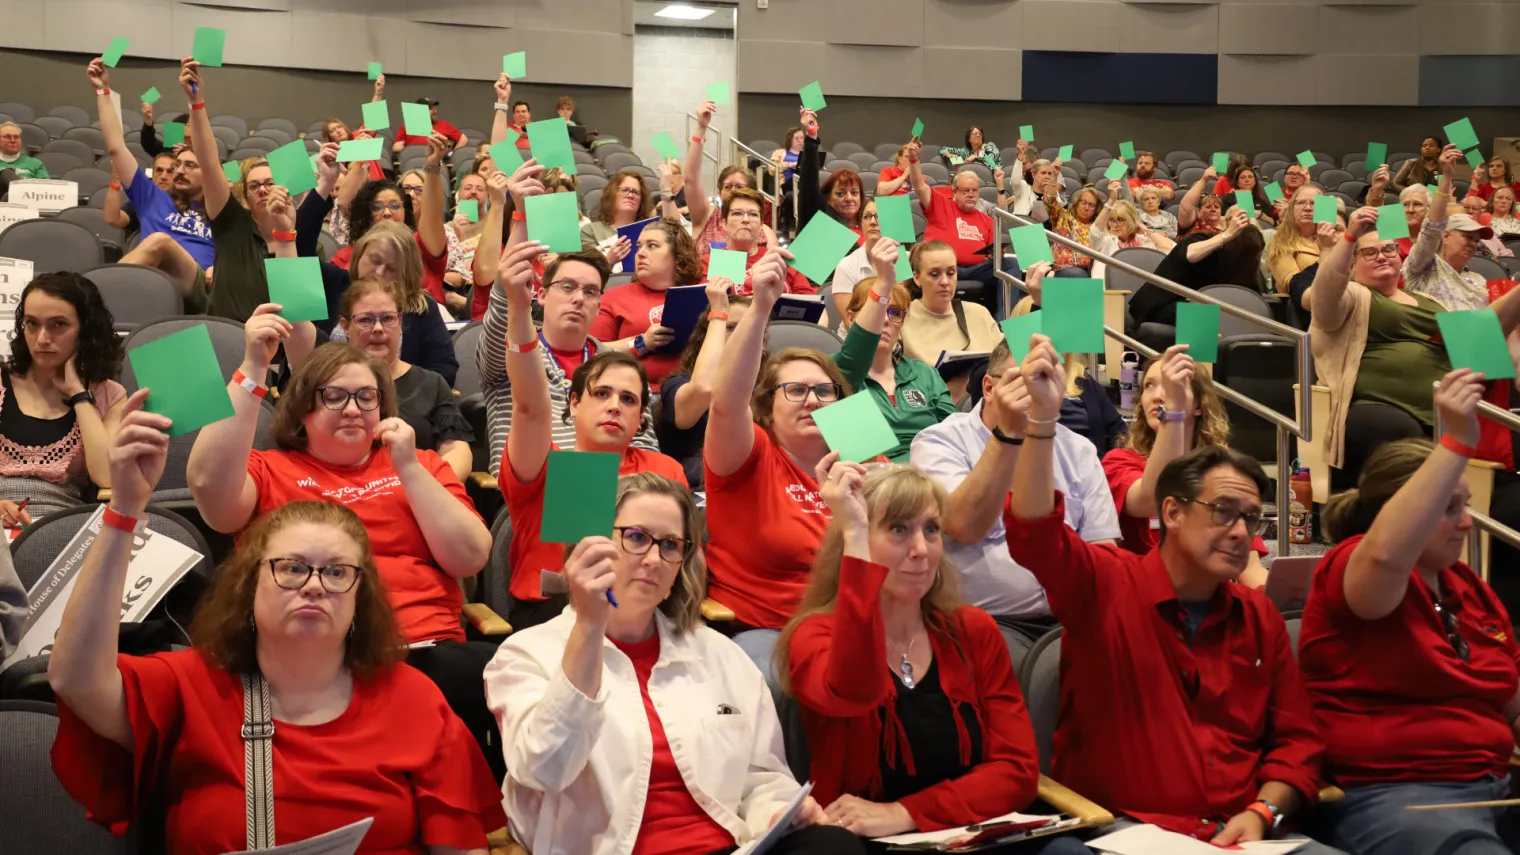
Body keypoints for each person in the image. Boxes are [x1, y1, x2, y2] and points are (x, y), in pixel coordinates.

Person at [50, 397, 505, 853]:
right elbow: (75, 678)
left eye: (337, 572)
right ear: (249, 586)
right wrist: (124, 511)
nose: (314, 586)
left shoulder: (414, 700)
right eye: (290, 568)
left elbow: (461, 848)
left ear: (360, 600)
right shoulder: (188, 686)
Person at [1004, 336, 1328, 846]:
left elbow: (1298, 740)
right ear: (1172, 513)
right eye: (1223, 513)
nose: (1241, 532)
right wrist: (1042, 424)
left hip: (1242, 834)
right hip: (1124, 832)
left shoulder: (1257, 617)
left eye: (1250, 518)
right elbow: (1035, 533)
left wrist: (1265, 810)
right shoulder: (1107, 584)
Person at [484, 472, 863, 855]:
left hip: (726, 846)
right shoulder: (526, 654)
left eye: (670, 545)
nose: (653, 558)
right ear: (593, 545)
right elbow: (546, 770)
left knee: (835, 846)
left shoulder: (720, 654)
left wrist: (778, 810)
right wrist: (589, 624)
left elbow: (761, 776)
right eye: (636, 537)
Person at [777, 459, 1065, 847]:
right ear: (855, 539)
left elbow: (1017, 769)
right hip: (866, 843)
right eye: (898, 529)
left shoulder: (972, 631)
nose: (921, 549)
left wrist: (908, 813)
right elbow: (854, 688)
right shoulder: (814, 637)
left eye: (931, 529)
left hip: (971, 831)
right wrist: (856, 534)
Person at [1299, 376, 1520, 855]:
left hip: (1497, 787)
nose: (1467, 522)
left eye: (1466, 505)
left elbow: (1512, 702)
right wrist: (1457, 439)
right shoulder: (1353, 564)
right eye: (1448, 507)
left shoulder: (1470, 588)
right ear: (1401, 513)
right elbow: (1385, 557)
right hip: (1390, 796)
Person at [496, 239, 687, 631]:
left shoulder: (663, 471)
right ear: (574, 405)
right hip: (553, 616)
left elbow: (679, 561)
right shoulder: (544, 466)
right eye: (601, 393)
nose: (615, 405)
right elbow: (530, 407)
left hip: (645, 615)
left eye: (629, 399)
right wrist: (518, 307)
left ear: (641, 420)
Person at [910, 333, 1120, 660]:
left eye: (1047, 380)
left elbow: (1102, 549)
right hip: (986, 622)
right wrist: (1008, 433)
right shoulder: (939, 441)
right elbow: (963, 524)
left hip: (1071, 618)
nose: (1037, 391)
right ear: (990, 388)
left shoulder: (1078, 449)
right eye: (1025, 380)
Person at [702, 247, 853, 676]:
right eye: (796, 391)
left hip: (854, 621)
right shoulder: (750, 457)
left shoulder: (859, 456)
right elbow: (726, 402)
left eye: (825, 392)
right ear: (767, 405)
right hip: (767, 629)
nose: (812, 401)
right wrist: (760, 308)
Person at [1308, 205, 1520, 491]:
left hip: (1445, 408)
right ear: (1352, 264)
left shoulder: (1426, 300)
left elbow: (1482, 335)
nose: (1382, 255)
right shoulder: (1352, 296)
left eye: (1390, 249)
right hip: (1374, 408)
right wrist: (1348, 238)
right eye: (1369, 252)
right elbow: (1324, 294)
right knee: (1401, 432)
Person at [473, 163, 660, 480]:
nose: (578, 298)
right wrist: (520, 216)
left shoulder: (616, 367)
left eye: (590, 291)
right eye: (567, 286)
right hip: (540, 493)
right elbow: (507, 291)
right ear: (541, 295)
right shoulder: (509, 358)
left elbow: (645, 448)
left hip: (620, 494)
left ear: (600, 302)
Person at [1101, 346, 1269, 586]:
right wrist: (1174, 410)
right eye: (1149, 385)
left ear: (1199, 404)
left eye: (1171, 386)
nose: (1159, 395)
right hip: (1143, 600)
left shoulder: (1221, 472)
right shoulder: (1119, 461)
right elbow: (1152, 499)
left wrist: (1283, 596)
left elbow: (1250, 569)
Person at [175, 58, 322, 323]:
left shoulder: (304, 243)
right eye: (254, 186)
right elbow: (208, 164)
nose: (263, 190)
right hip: (227, 343)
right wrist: (197, 104)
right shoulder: (232, 225)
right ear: (245, 194)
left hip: (281, 354)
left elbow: (303, 315)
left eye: (269, 183)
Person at [316, 278, 474, 481]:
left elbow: (457, 450)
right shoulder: (326, 382)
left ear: (400, 323)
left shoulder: (431, 383)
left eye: (388, 318)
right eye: (365, 320)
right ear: (345, 326)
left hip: (416, 496)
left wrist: (423, 488)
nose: (378, 328)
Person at [0, 274, 126, 527]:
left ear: (86, 331)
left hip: (62, 524)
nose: (42, 338)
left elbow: (108, 477)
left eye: (58, 324)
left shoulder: (110, 395)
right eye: (32, 324)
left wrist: (79, 395)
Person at [89, 57, 213, 314]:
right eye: (178, 164)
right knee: (159, 242)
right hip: (150, 281)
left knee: (161, 241)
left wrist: (220, 267)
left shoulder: (221, 210)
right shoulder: (153, 197)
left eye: (190, 166)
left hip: (199, 286)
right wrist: (102, 90)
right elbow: (116, 146)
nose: (179, 170)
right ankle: (91, 306)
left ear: (209, 173)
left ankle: (90, 302)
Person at [833, 240, 955, 462]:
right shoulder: (835, 373)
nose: (886, 321)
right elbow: (857, 457)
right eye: (879, 310)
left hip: (935, 470)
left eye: (895, 313)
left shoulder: (924, 373)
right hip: (875, 479)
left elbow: (954, 434)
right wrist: (884, 281)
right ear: (851, 319)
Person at [907, 141, 1022, 314]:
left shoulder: (986, 219)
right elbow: (919, 186)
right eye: (966, 190)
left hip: (976, 270)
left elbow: (991, 257)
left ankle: (1004, 324)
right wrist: (914, 159)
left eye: (974, 191)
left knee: (1011, 264)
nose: (971, 194)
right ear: (954, 192)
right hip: (944, 268)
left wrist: (996, 254)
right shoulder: (940, 205)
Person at [657, 284, 751, 489]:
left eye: (747, 329)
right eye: (731, 327)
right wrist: (719, 313)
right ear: (707, 336)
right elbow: (703, 388)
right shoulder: (677, 384)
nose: (740, 336)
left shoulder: (766, 388)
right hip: (698, 493)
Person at [591, 219, 703, 384]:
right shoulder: (614, 296)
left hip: (692, 390)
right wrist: (641, 343)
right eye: (639, 246)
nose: (640, 253)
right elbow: (592, 352)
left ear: (677, 255)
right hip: (637, 392)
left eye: (652, 245)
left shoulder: (698, 295)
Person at [1128, 210, 1265, 340]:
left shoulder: (1245, 262)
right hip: (1163, 305)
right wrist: (1227, 235)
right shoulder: (1200, 239)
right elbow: (1190, 254)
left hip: (1204, 306)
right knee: (1206, 312)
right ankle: (1203, 364)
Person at [1405, 145, 1491, 312]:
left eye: (1476, 240)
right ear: (1445, 236)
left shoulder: (1478, 280)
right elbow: (1431, 229)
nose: (1473, 244)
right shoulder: (1423, 266)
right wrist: (1447, 176)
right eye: (1467, 237)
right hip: (1428, 337)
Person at [686, 101, 777, 256]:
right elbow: (690, 180)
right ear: (719, 192)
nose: (733, 191)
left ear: (752, 192)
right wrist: (701, 128)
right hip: (707, 280)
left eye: (739, 187)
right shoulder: (706, 217)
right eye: (727, 187)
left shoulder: (764, 231)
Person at [898, 240, 1004, 372]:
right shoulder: (901, 317)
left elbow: (1007, 362)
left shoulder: (979, 313)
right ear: (917, 278)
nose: (945, 282)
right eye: (935, 274)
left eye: (951, 273)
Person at [706, 187, 812, 296]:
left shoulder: (779, 260)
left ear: (762, 225)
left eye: (753, 214)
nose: (746, 219)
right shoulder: (710, 262)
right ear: (724, 223)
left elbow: (813, 307)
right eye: (737, 213)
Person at [797, 108, 863, 236]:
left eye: (854, 192)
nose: (849, 198)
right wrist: (811, 138)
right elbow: (808, 182)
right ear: (827, 198)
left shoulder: (866, 227)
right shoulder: (818, 217)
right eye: (840, 193)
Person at [582, 169, 655, 269]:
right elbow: (586, 271)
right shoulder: (590, 231)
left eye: (636, 192)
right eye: (625, 190)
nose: (630, 195)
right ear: (612, 194)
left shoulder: (650, 230)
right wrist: (609, 261)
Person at [829, 198, 886, 324]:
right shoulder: (846, 266)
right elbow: (851, 323)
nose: (872, 222)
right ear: (861, 224)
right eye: (866, 217)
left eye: (878, 216)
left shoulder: (906, 260)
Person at [1267, 186, 1330, 292]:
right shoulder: (1280, 242)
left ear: (1323, 208)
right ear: (1291, 209)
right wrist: (1327, 250)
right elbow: (1294, 286)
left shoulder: (1334, 238)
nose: (1308, 208)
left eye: (1314, 203)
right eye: (1300, 203)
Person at [1093, 195, 1174, 254]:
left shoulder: (1143, 238)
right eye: (1111, 220)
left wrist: (1146, 230)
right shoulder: (1106, 239)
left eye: (1120, 219)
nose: (1115, 224)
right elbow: (1094, 231)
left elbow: (1171, 249)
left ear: (1130, 221)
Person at [393, 97, 466, 153]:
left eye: (434, 108)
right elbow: (397, 147)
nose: (435, 111)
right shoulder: (406, 127)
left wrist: (453, 155)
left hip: (438, 160)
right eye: (431, 109)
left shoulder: (444, 124)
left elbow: (463, 139)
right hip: (415, 159)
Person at [1178, 167, 1226, 237]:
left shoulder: (1228, 228)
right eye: (1208, 207)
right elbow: (1186, 207)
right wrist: (1204, 179)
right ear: (1199, 211)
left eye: (1216, 207)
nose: (1213, 209)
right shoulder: (1193, 224)